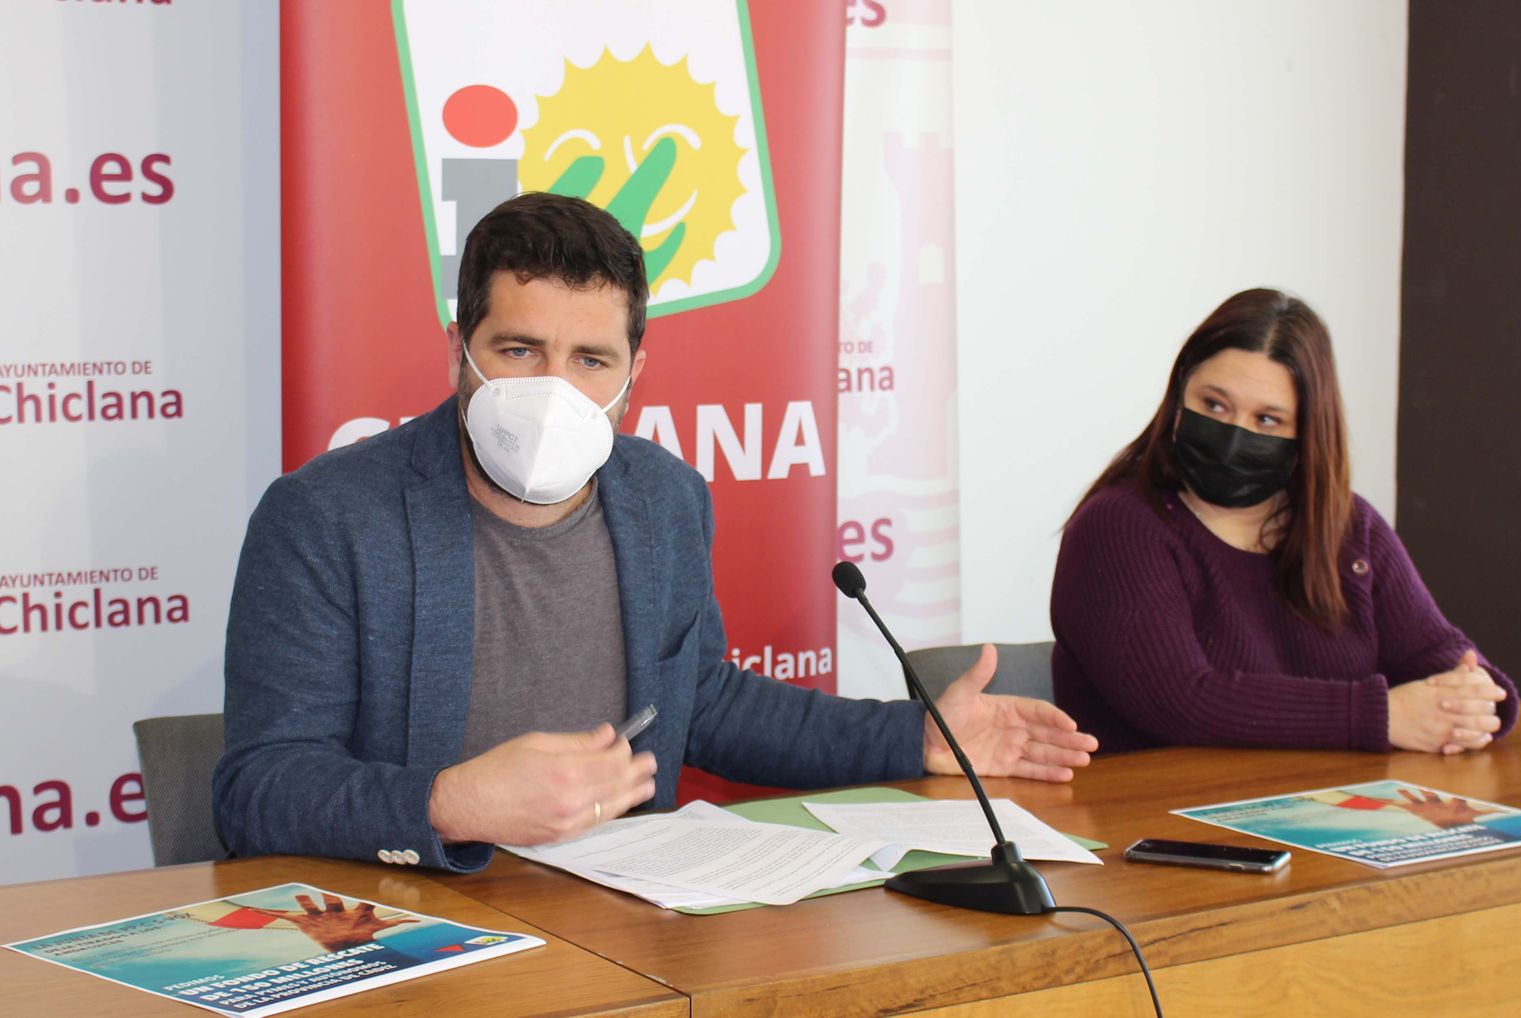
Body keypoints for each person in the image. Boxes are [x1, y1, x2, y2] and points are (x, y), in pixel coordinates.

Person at [214, 192, 1097, 873]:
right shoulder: (326, 516)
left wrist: (915, 739)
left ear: (635, 372)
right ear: (459, 349)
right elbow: (259, 789)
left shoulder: (664, 499)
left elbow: (702, 704)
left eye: (589, 359)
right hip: (429, 919)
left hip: (631, 911)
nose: (554, 386)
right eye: (520, 350)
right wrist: (452, 803)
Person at [1049, 288, 1517, 755]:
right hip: (1152, 815)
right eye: (1214, 405)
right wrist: (1380, 715)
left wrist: (1475, 704)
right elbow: (1179, 703)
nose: (1234, 437)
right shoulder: (1117, 527)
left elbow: (1442, 660)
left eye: (1268, 420)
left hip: (1331, 811)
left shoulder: (1349, 528)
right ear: (1178, 396)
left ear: (1309, 432)